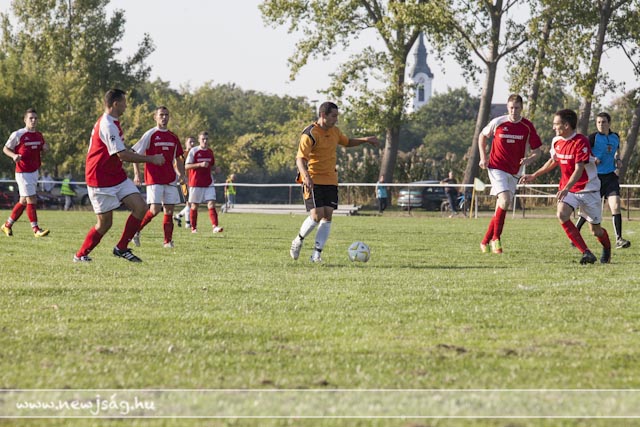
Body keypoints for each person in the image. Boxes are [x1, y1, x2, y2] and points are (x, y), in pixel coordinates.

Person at [73, 89, 165, 263]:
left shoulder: (113, 122)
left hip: (116, 175)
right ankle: (80, 255)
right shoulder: (107, 125)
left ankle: (121, 248)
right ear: (115, 104)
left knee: (141, 207)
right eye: (124, 102)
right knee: (105, 224)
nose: (126, 106)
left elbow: (119, 152)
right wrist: (151, 159)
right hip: (99, 178)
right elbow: (121, 154)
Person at [289, 101, 380, 263]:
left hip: (330, 179)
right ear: (323, 115)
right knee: (317, 215)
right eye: (333, 116)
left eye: (337, 116)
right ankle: (298, 240)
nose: (336, 119)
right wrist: (306, 176)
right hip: (313, 179)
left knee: (328, 215)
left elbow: (347, 142)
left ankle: (316, 255)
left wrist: (365, 139)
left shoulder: (335, 131)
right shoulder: (310, 133)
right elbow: (300, 159)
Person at [520, 109, 611, 264]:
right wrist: (534, 175)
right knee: (562, 214)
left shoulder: (580, 141)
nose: (553, 127)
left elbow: (579, 169)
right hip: (569, 189)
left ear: (566, 125)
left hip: (589, 189)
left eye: (556, 124)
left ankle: (607, 249)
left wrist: (566, 188)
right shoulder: (557, 141)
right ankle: (586, 253)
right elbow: (554, 160)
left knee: (596, 231)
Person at [478, 94, 542, 254]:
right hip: (496, 167)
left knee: (502, 205)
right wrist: (483, 157)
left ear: (522, 108)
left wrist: (529, 159)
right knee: (505, 200)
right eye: (511, 108)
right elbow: (482, 136)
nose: (514, 111)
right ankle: (496, 239)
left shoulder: (527, 126)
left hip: (515, 171)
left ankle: (485, 241)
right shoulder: (498, 122)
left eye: (517, 108)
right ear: (507, 107)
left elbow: (538, 151)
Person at [574, 112, 630, 249]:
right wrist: (593, 159)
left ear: (609, 123)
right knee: (589, 210)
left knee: (615, 205)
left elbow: (616, 151)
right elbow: (582, 152)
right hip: (595, 178)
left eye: (603, 122)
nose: (601, 124)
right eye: (598, 122)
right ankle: (575, 234)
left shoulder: (615, 137)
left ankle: (619, 239)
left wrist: (618, 159)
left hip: (610, 177)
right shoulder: (592, 138)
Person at [131, 106, 185, 248]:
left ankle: (167, 242)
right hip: (154, 178)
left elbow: (179, 158)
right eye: (161, 115)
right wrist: (137, 174)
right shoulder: (150, 134)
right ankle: (135, 231)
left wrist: (182, 174)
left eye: (166, 115)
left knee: (169, 210)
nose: (164, 117)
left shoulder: (173, 137)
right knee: (154, 210)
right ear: (155, 117)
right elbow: (135, 154)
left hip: (170, 178)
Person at [1, 108, 50, 238]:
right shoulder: (18, 134)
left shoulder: (39, 135)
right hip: (23, 172)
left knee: (23, 201)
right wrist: (13, 156)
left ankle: (7, 225)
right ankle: (36, 230)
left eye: (35, 118)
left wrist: (45, 148)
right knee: (31, 198)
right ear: (25, 120)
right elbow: (5, 148)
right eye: (31, 118)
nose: (33, 120)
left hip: (34, 171)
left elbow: (42, 149)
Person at [184, 131, 223, 234]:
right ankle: (193, 228)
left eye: (206, 139)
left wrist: (216, 169)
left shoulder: (210, 152)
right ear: (199, 140)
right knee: (194, 206)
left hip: (208, 182)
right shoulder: (194, 151)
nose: (205, 141)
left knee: (211, 203)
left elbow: (211, 165)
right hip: (196, 182)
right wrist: (199, 164)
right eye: (203, 139)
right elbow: (187, 166)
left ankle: (215, 226)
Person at [174, 136, 196, 228]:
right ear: (186, 143)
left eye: (193, 142)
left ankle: (178, 216)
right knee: (188, 202)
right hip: (185, 181)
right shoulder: (183, 154)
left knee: (192, 202)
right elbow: (176, 166)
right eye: (190, 142)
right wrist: (182, 176)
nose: (192, 144)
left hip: (194, 180)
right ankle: (188, 223)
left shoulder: (195, 154)